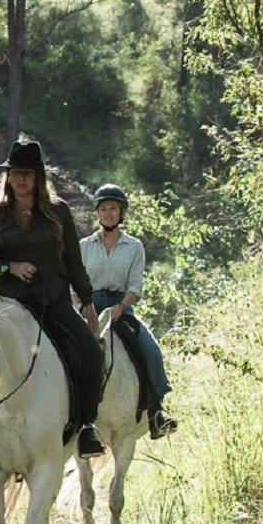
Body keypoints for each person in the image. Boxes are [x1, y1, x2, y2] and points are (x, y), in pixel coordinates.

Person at [0, 137, 107, 457]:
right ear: (8, 176)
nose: (21, 179)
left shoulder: (59, 212)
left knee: (90, 352)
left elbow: (74, 261)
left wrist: (87, 304)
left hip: (51, 298)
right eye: (16, 173)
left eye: (28, 174)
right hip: (3, 301)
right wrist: (9, 267)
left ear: (38, 177)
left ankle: (86, 426)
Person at [80, 183, 177, 439]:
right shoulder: (84, 246)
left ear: (121, 213)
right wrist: (84, 307)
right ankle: (69, 421)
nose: (108, 213)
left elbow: (135, 286)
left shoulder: (134, 246)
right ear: (97, 213)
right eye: (103, 209)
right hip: (88, 309)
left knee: (151, 350)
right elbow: (75, 285)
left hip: (120, 309)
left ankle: (156, 411)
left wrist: (121, 307)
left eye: (113, 208)